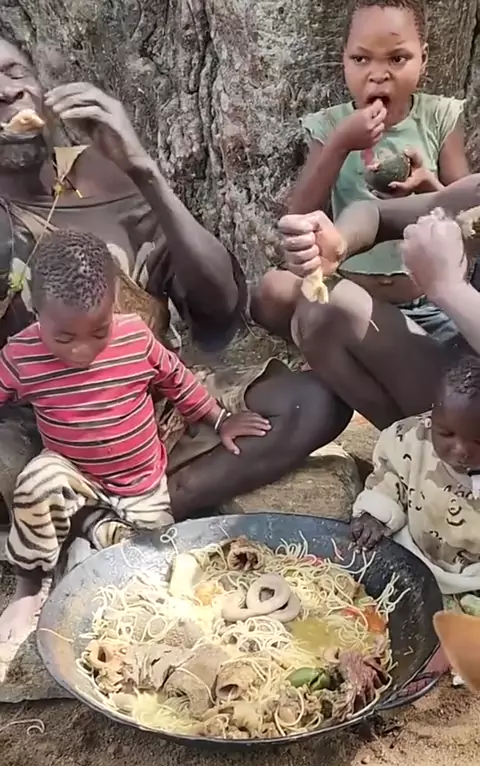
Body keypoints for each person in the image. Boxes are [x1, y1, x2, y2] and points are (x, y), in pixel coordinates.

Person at [0, 38, 351, 525]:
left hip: (150, 407)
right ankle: (97, 511)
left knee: (312, 402)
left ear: (40, 86)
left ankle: (139, 514)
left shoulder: (101, 174)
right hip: (46, 429)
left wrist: (143, 170)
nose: (7, 92)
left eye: (15, 72)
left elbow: (220, 310)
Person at [0, 229, 272, 642]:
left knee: (147, 561)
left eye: (99, 331)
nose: (82, 350)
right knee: (36, 482)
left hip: (141, 484)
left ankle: (95, 531)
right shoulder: (21, 356)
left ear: (114, 303)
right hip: (74, 475)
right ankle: (30, 588)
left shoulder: (134, 338)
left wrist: (219, 420)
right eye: (64, 338)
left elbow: (178, 380)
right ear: (36, 314)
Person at [252, 0, 470, 340]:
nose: (378, 74)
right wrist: (340, 145)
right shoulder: (333, 125)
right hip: (355, 297)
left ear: (423, 58)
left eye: (397, 58)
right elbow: (299, 216)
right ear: (344, 60)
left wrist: (427, 186)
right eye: (361, 59)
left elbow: (470, 221)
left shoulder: (439, 117)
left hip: (430, 301)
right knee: (271, 291)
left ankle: (387, 354)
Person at [278, 177, 480, 430]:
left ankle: (441, 443)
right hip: (459, 378)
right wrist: (340, 243)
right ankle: (405, 441)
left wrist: (450, 288)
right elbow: (376, 213)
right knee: (326, 308)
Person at [351, 354, 480, 674]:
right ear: (432, 415)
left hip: (472, 576)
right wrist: (374, 515)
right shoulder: (411, 440)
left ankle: (446, 654)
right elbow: (390, 476)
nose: (460, 450)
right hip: (413, 553)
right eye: (446, 433)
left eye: (479, 440)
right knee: (377, 600)